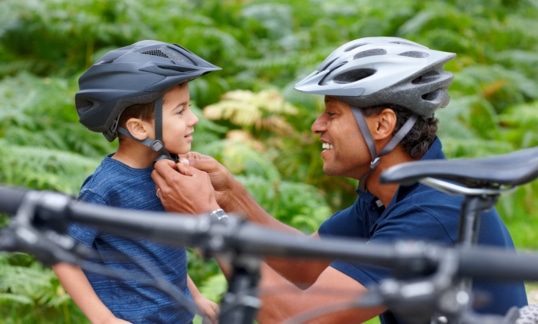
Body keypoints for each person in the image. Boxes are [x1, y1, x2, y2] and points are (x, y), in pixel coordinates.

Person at [151, 37, 528, 323]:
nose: (317, 126)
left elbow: (295, 317)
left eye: (332, 113)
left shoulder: (432, 212)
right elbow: (303, 267)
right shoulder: (390, 195)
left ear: (382, 125)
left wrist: (209, 216)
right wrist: (231, 196)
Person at [53, 40, 221, 324]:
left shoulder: (166, 175)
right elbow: (61, 254)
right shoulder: (106, 188)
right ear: (138, 128)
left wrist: (197, 298)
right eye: (180, 111)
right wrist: (103, 319)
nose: (193, 119)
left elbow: (161, 258)